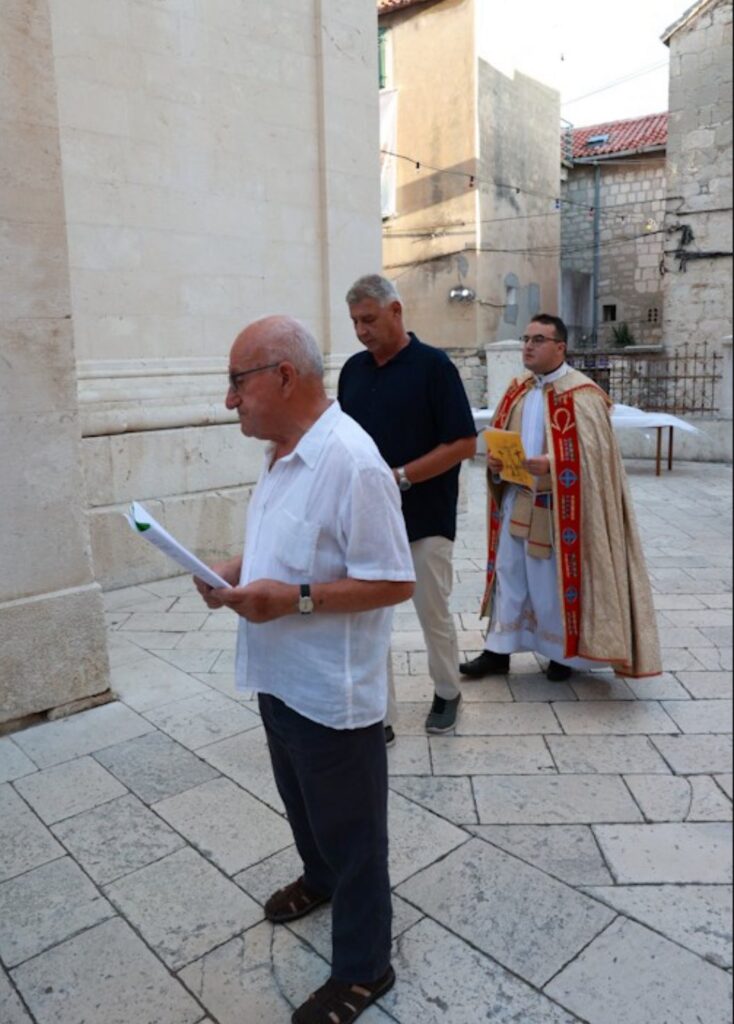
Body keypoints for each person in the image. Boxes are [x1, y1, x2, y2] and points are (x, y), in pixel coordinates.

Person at [194, 315, 415, 1024]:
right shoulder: (282, 452)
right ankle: (318, 878)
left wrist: (294, 599)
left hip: (330, 692)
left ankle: (365, 967)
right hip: (277, 677)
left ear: (284, 376)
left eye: (238, 382)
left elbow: (394, 580)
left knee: (356, 837)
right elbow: (289, 541)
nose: (230, 399)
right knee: (303, 806)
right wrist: (235, 568)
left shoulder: (353, 462)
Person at [460, 313, 661, 683]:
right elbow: (502, 438)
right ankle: (498, 651)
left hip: (561, 508)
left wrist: (552, 465)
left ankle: (560, 654)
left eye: (538, 340)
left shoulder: (583, 394)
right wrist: (496, 462)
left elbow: (597, 459)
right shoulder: (517, 390)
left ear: (560, 347)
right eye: (526, 339)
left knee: (550, 582)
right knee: (509, 574)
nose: (528, 346)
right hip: (516, 499)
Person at [338, 275, 477, 737]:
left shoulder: (435, 367)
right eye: (355, 322)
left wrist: (400, 476)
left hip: (426, 516)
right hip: (368, 520)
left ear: (396, 311)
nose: (361, 331)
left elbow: (463, 443)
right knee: (370, 620)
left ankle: (448, 691)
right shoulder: (352, 371)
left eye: (369, 319)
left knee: (432, 612)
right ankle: (381, 715)